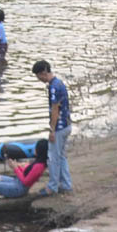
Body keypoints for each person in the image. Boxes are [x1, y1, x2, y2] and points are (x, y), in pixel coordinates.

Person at [32, 60, 72, 196]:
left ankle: (52, 186)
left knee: (53, 157)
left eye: (38, 76)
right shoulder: (59, 83)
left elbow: (55, 109)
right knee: (62, 156)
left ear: (43, 73)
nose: (39, 79)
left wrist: (52, 130)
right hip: (67, 124)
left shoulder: (53, 87)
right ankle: (66, 184)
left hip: (59, 127)